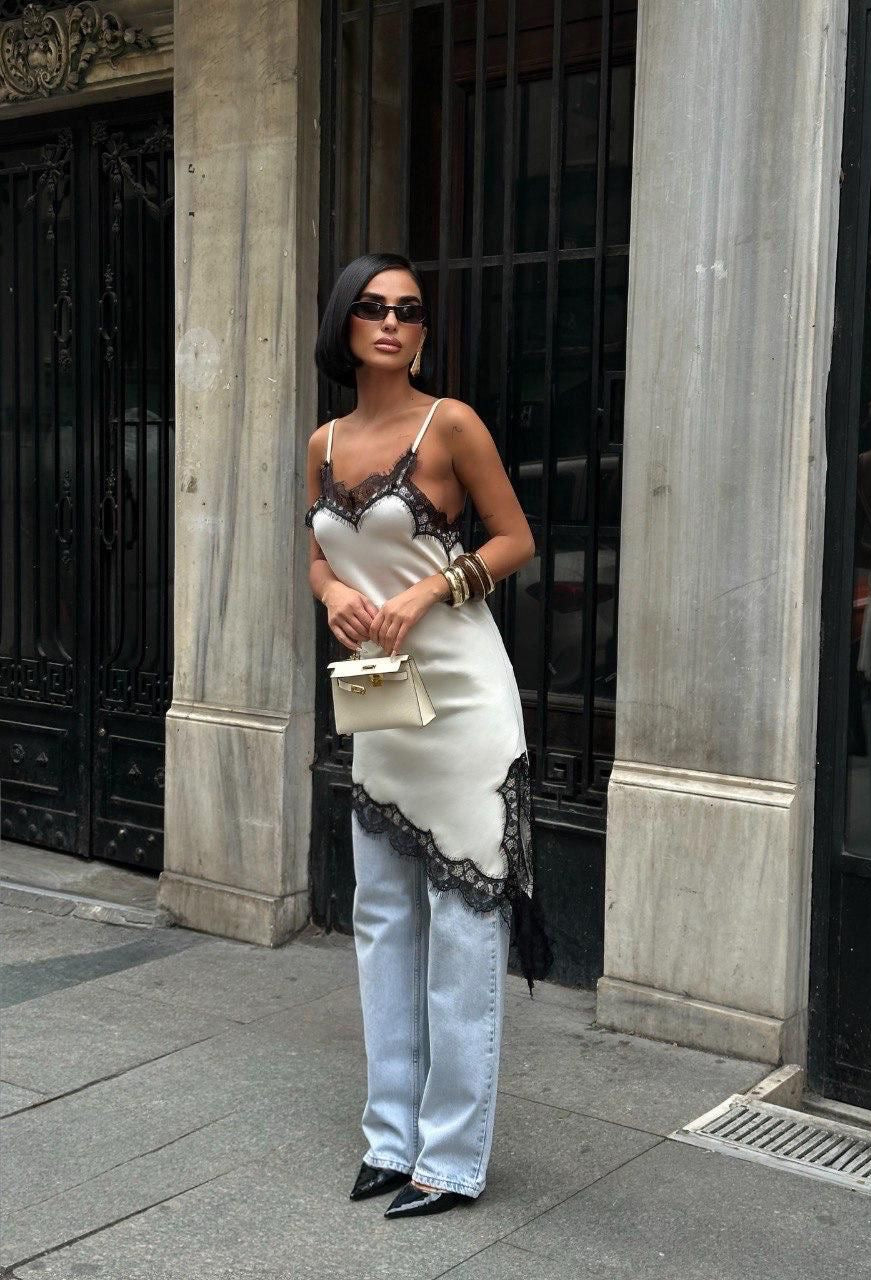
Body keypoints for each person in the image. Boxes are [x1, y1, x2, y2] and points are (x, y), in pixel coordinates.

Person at [305, 252, 553, 1218]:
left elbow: (514, 538)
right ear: (345, 321)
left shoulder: (450, 424)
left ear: (421, 330)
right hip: (382, 704)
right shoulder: (323, 442)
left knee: (462, 928)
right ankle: (389, 1139)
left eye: (408, 311)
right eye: (372, 307)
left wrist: (431, 589)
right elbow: (320, 552)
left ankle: (449, 1157)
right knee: (381, 920)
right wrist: (332, 594)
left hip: (464, 703)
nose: (391, 322)